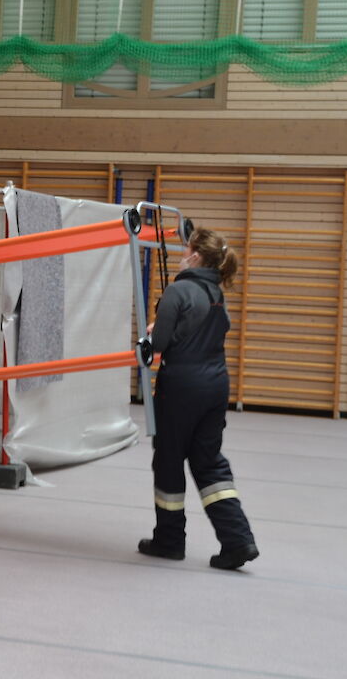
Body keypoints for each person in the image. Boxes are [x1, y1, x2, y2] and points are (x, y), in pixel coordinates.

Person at [139, 227, 259, 570]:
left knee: (169, 460)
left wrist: (152, 330)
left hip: (182, 388)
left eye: (186, 248)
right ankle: (238, 540)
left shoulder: (179, 290)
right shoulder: (216, 293)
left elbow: (159, 344)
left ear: (196, 256)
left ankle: (169, 540)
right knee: (208, 461)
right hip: (216, 386)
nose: (182, 252)